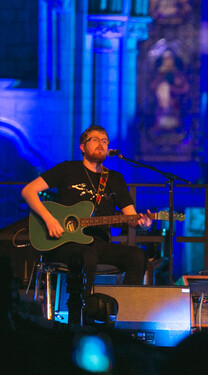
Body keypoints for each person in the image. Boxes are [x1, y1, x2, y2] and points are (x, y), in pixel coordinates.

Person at [21, 125, 150, 324]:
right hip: (63, 243)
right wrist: (49, 219)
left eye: (105, 141)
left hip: (99, 243)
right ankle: (82, 317)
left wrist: (143, 223)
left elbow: (132, 219)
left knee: (138, 257)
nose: (102, 143)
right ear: (82, 147)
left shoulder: (115, 179)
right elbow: (28, 191)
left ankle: (124, 317)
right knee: (85, 255)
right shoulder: (67, 169)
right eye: (95, 139)